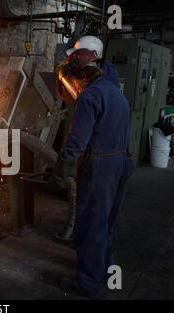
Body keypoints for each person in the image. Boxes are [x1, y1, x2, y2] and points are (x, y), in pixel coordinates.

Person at [51, 48, 134, 299]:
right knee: (106, 223)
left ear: (78, 76)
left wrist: (61, 170)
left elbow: (77, 140)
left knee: (90, 227)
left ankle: (88, 284)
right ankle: (106, 270)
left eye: (70, 82)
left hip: (100, 169)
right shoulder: (116, 94)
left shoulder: (89, 97)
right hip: (122, 163)